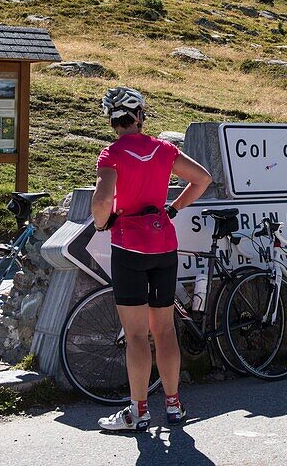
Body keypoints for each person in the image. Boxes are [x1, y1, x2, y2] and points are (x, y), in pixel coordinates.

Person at [91, 87, 212, 432]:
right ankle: (173, 407)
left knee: (136, 336)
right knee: (165, 330)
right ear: (140, 116)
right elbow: (202, 179)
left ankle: (138, 411)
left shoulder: (111, 154)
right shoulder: (164, 149)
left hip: (129, 248)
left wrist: (104, 222)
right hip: (164, 247)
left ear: (112, 121)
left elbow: (101, 202)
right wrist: (172, 208)